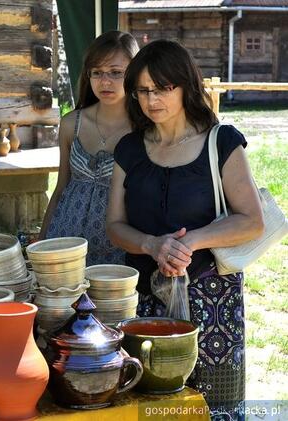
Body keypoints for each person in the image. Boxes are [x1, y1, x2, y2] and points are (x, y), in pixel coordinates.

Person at [106, 40, 264, 419]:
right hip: (143, 298)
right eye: (143, 91)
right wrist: (151, 244)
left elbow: (252, 221)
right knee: (149, 402)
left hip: (212, 301)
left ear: (185, 86)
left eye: (163, 88)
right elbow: (114, 226)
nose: (151, 100)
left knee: (213, 404)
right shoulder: (129, 149)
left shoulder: (220, 142)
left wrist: (191, 241)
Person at [40, 31, 138, 266]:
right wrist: (41, 241)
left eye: (116, 73)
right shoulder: (71, 123)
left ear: (134, 73)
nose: (105, 82)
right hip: (66, 237)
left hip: (117, 246)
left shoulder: (145, 130)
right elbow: (61, 186)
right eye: (97, 72)